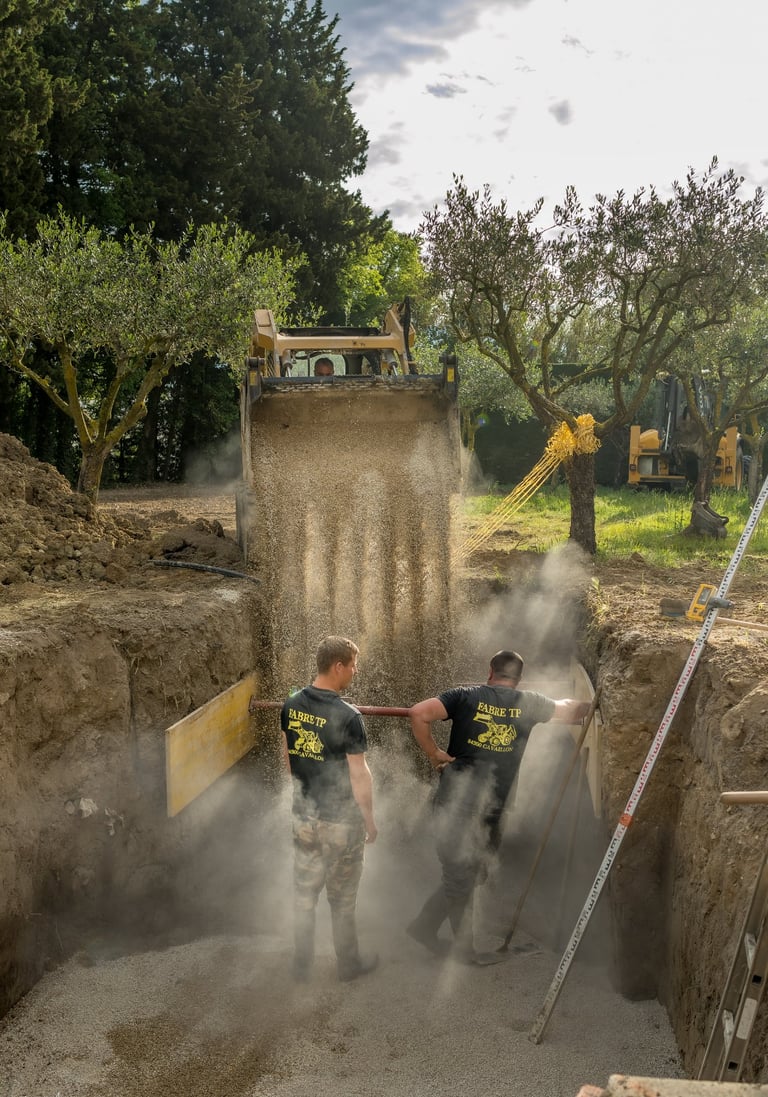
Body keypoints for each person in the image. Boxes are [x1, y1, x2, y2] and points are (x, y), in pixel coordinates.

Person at [407, 649, 591, 965]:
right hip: (475, 807)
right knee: (460, 874)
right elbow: (568, 709)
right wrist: (592, 703)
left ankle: (423, 927)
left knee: (471, 872)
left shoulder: (464, 695)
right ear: (518, 679)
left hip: (471, 805)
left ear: (490, 671)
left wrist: (434, 753)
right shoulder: (530, 702)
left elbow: (419, 713)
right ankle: (462, 951)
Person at [281, 635, 379, 983]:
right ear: (338, 666)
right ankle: (348, 965)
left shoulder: (292, 703)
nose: (355, 671)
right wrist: (369, 819)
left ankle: (301, 965)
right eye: (353, 665)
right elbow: (359, 774)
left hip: (304, 817)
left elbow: (288, 756)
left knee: (304, 894)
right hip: (340, 823)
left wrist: (303, 791)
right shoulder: (348, 716)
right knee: (342, 898)